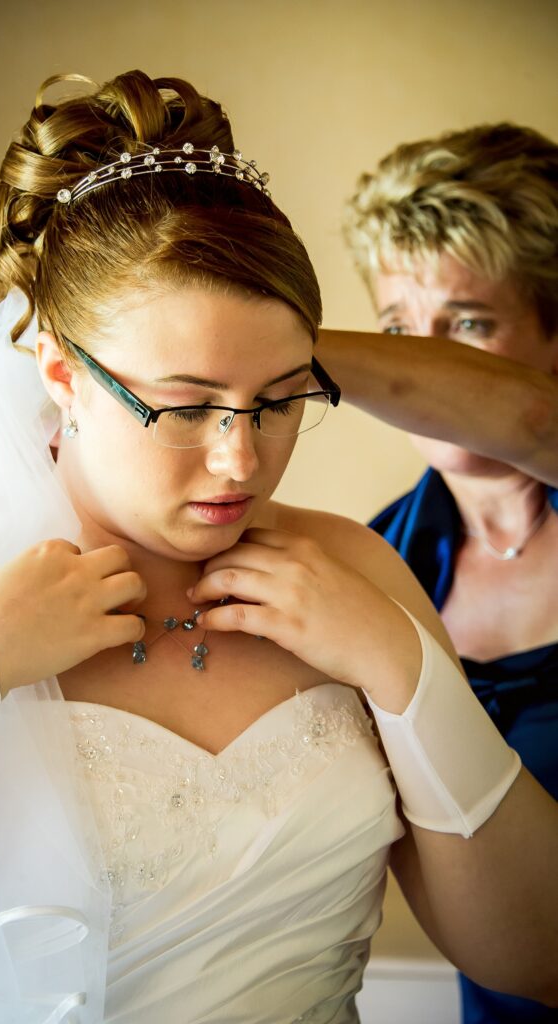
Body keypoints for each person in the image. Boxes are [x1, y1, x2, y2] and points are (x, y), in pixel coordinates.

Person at [0, 75, 556, 1024]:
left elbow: (536, 956)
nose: (241, 458)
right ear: (63, 375)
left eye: (279, 400)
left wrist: (403, 669)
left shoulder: (357, 571)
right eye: (187, 405)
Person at [334, 122, 558, 1022]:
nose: (415, 362)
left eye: (465, 324)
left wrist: (244, 350)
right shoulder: (380, 559)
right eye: (397, 328)